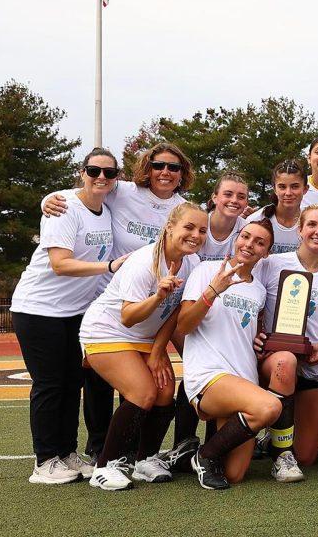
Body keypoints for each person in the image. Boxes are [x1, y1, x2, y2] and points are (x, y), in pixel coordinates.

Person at [40, 142, 192, 462]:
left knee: (141, 387)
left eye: (173, 167)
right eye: (158, 165)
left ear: (182, 174)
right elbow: (89, 188)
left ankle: (132, 451)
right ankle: (99, 446)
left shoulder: (184, 208)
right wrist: (48, 198)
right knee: (98, 381)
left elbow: (209, 225)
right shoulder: (123, 191)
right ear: (146, 169)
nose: (165, 172)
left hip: (150, 309)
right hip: (110, 299)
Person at [13, 148, 123, 484]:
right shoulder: (63, 206)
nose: (101, 178)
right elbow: (60, 264)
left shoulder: (106, 207)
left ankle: (67, 453)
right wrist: (108, 266)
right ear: (82, 172)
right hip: (38, 309)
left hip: (74, 312)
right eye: (94, 171)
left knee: (72, 383)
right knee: (50, 385)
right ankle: (45, 460)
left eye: (109, 173)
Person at [81, 203, 207, 490]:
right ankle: (106, 464)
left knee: (164, 391)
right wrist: (158, 295)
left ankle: (145, 459)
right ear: (170, 226)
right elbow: (127, 317)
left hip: (145, 338)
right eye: (189, 227)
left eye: (202, 230)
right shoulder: (143, 262)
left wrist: (158, 350)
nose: (195, 235)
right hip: (106, 332)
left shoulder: (193, 263)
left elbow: (175, 313)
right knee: (143, 392)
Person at [176, 220, 280, 489]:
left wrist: (259, 341)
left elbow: (245, 331)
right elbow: (184, 325)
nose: (249, 245)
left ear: (266, 252)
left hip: (243, 379)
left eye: (259, 242)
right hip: (210, 376)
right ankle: (204, 455)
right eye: (245, 237)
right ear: (236, 239)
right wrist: (213, 291)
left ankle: (206, 457)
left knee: (234, 475)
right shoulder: (208, 270)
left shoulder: (258, 289)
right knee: (269, 407)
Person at [257, 204, 318, 482]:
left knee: (308, 456)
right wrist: (258, 333)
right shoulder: (271, 264)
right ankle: (281, 456)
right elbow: (248, 297)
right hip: (276, 359)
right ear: (300, 229)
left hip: (315, 364)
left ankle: (272, 438)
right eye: (311, 224)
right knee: (285, 363)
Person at [247, 159, 307, 255]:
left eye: (294, 187)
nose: (288, 193)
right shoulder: (257, 219)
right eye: (282, 187)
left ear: (305, 189)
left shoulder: (312, 223)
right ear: (274, 189)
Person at [198, 173, 249, 262]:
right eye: (228, 194)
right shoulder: (197, 224)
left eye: (241, 197)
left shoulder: (247, 230)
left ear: (246, 203)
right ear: (214, 198)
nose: (234, 200)